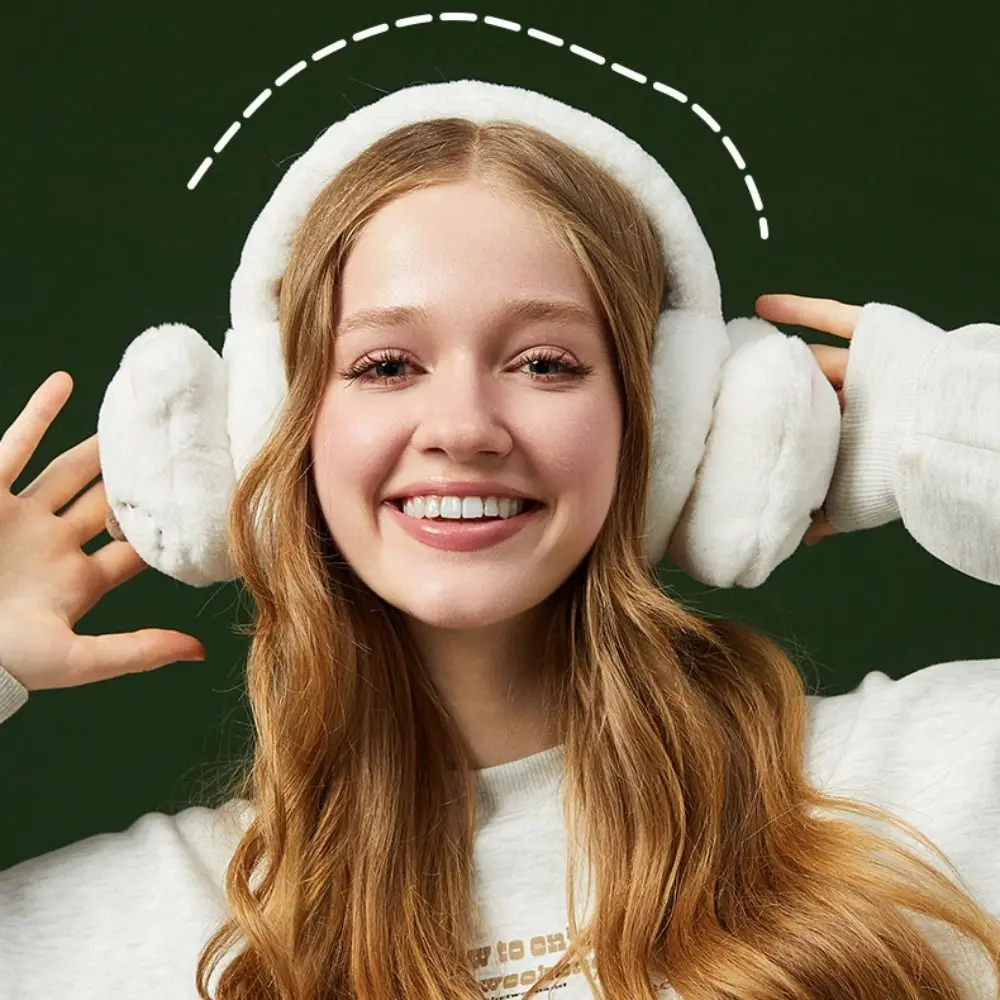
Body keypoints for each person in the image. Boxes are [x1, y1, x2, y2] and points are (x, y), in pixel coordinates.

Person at [1, 79, 999, 1000]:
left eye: (543, 362)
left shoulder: (924, 791)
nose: (465, 425)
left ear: (671, 423)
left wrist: (962, 434)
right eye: (387, 364)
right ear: (277, 426)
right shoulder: (135, 929)